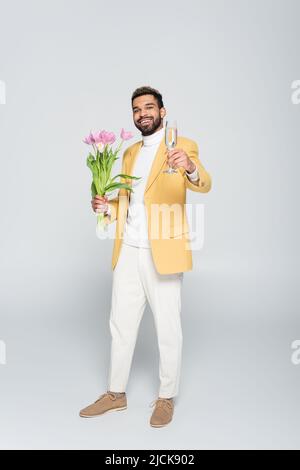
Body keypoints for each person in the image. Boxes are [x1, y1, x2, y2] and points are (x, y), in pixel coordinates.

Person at [79, 86, 212, 427]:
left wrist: (190, 167)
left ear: (163, 111)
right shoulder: (129, 153)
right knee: (120, 325)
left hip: (163, 252)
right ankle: (115, 394)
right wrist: (105, 207)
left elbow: (204, 183)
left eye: (149, 108)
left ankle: (166, 398)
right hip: (128, 251)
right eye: (137, 110)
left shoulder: (183, 145)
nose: (143, 114)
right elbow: (127, 203)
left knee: (168, 327)